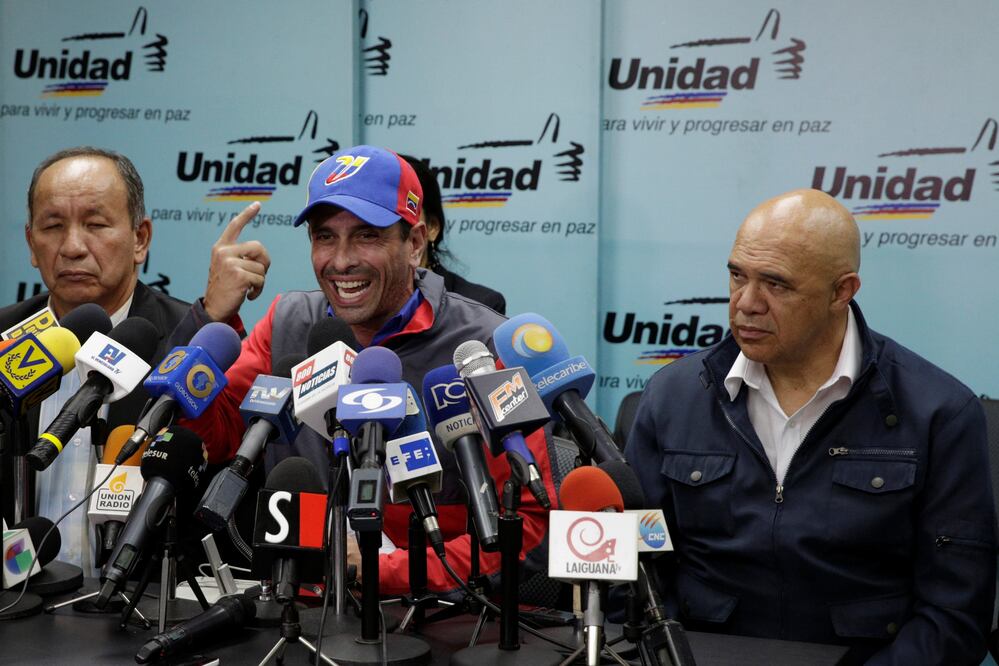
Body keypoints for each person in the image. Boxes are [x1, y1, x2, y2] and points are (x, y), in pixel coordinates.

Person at [625, 189, 996, 664]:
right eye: (737, 276)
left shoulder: (938, 412)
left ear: (842, 291)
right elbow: (636, 573)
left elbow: (953, 617)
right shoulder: (674, 397)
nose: (746, 303)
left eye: (776, 284)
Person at [184, 145, 555, 596]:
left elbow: (530, 521)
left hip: (433, 614)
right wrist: (212, 316)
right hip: (295, 606)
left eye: (366, 236)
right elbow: (215, 440)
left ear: (415, 243)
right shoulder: (286, 321)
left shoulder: (483, 345)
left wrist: (383, 570)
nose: (340, 261)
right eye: (325, 237)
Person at [0, 146, 262, 570]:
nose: (71, 247)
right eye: (52, 226)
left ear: (140, 239)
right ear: (31, 244)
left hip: (143, 609)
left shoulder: (197, 338)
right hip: (20, 608)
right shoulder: (4, 341)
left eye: (96, 224)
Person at [400, 154, 506, 314]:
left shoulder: (480, 307)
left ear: (432, 227)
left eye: (403, 217)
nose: (390, 229)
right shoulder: (354, 301)